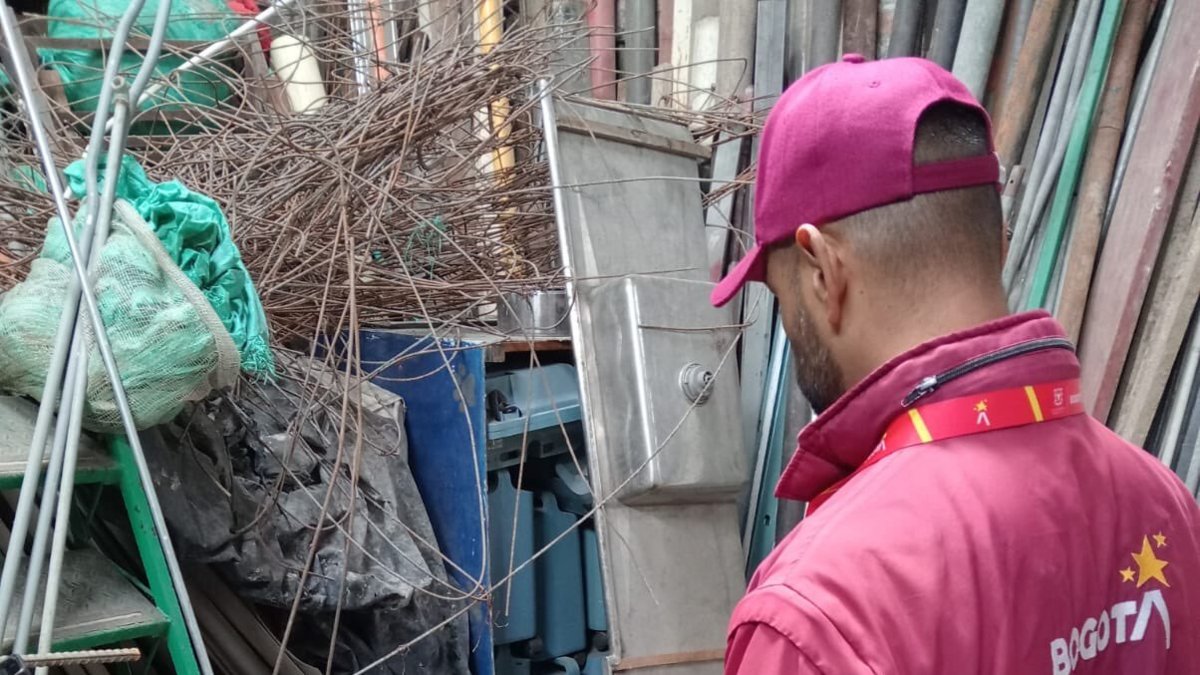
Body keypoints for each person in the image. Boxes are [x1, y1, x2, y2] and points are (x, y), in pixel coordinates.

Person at [712, 55, 1200, 674]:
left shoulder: (820, 615)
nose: (784, 318)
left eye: (778, 294)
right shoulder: (1163, 502)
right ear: (998, 242)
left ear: (821, 270)